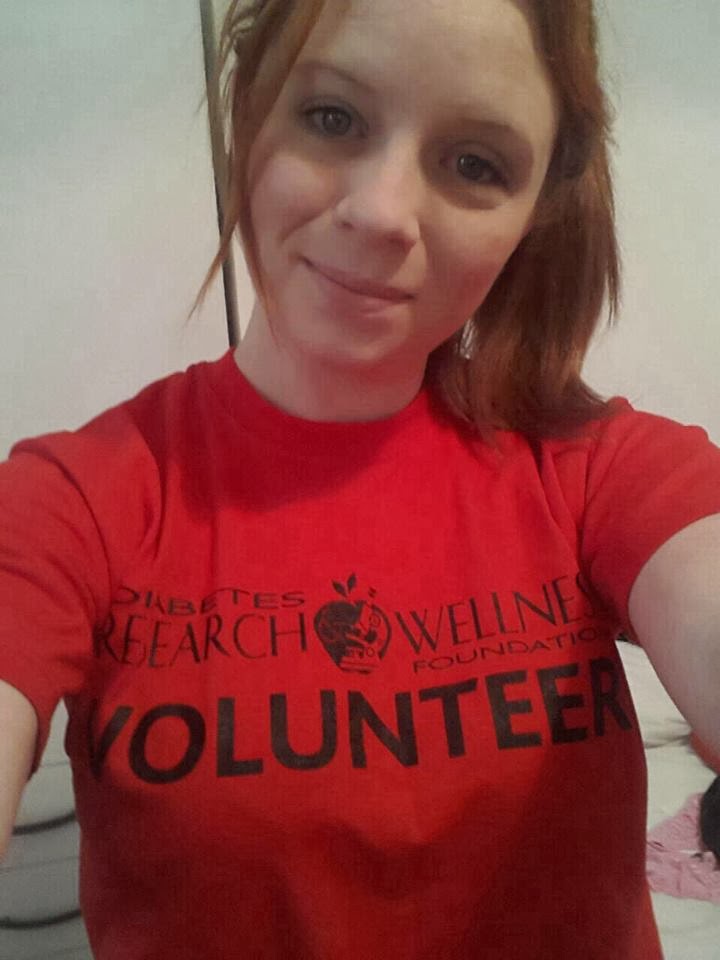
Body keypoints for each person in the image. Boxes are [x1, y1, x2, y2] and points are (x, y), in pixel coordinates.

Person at [1, 0, 719, 957]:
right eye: (332, 117)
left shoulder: (596, 466)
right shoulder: (74, 500)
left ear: (535, 214)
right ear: (249, 110)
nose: (380, 212)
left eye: (475, 164)